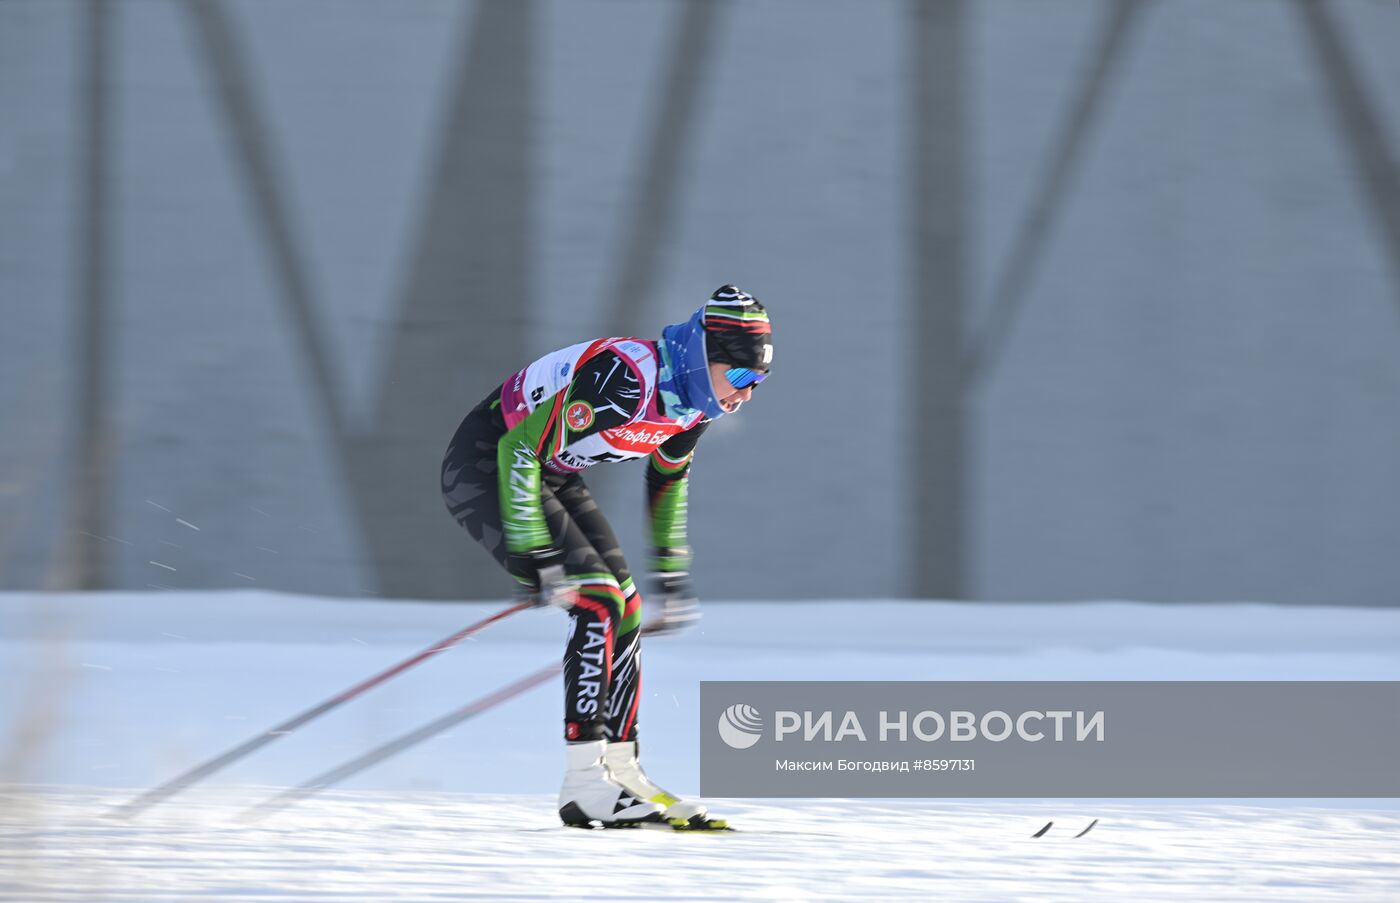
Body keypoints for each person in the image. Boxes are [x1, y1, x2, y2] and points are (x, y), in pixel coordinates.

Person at [440, 285, 773, 830]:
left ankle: (622, 772)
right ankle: (583, 784)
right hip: (488, 464)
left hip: (548, 470)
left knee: (629, 608)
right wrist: (534, 547)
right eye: (739, 377)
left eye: (758, 382)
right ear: (702, 354)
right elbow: (516, 447)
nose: (747, 393)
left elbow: (668, 478)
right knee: (596, 603)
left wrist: (669, 571)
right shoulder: (627, 378)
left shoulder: (694, 402)